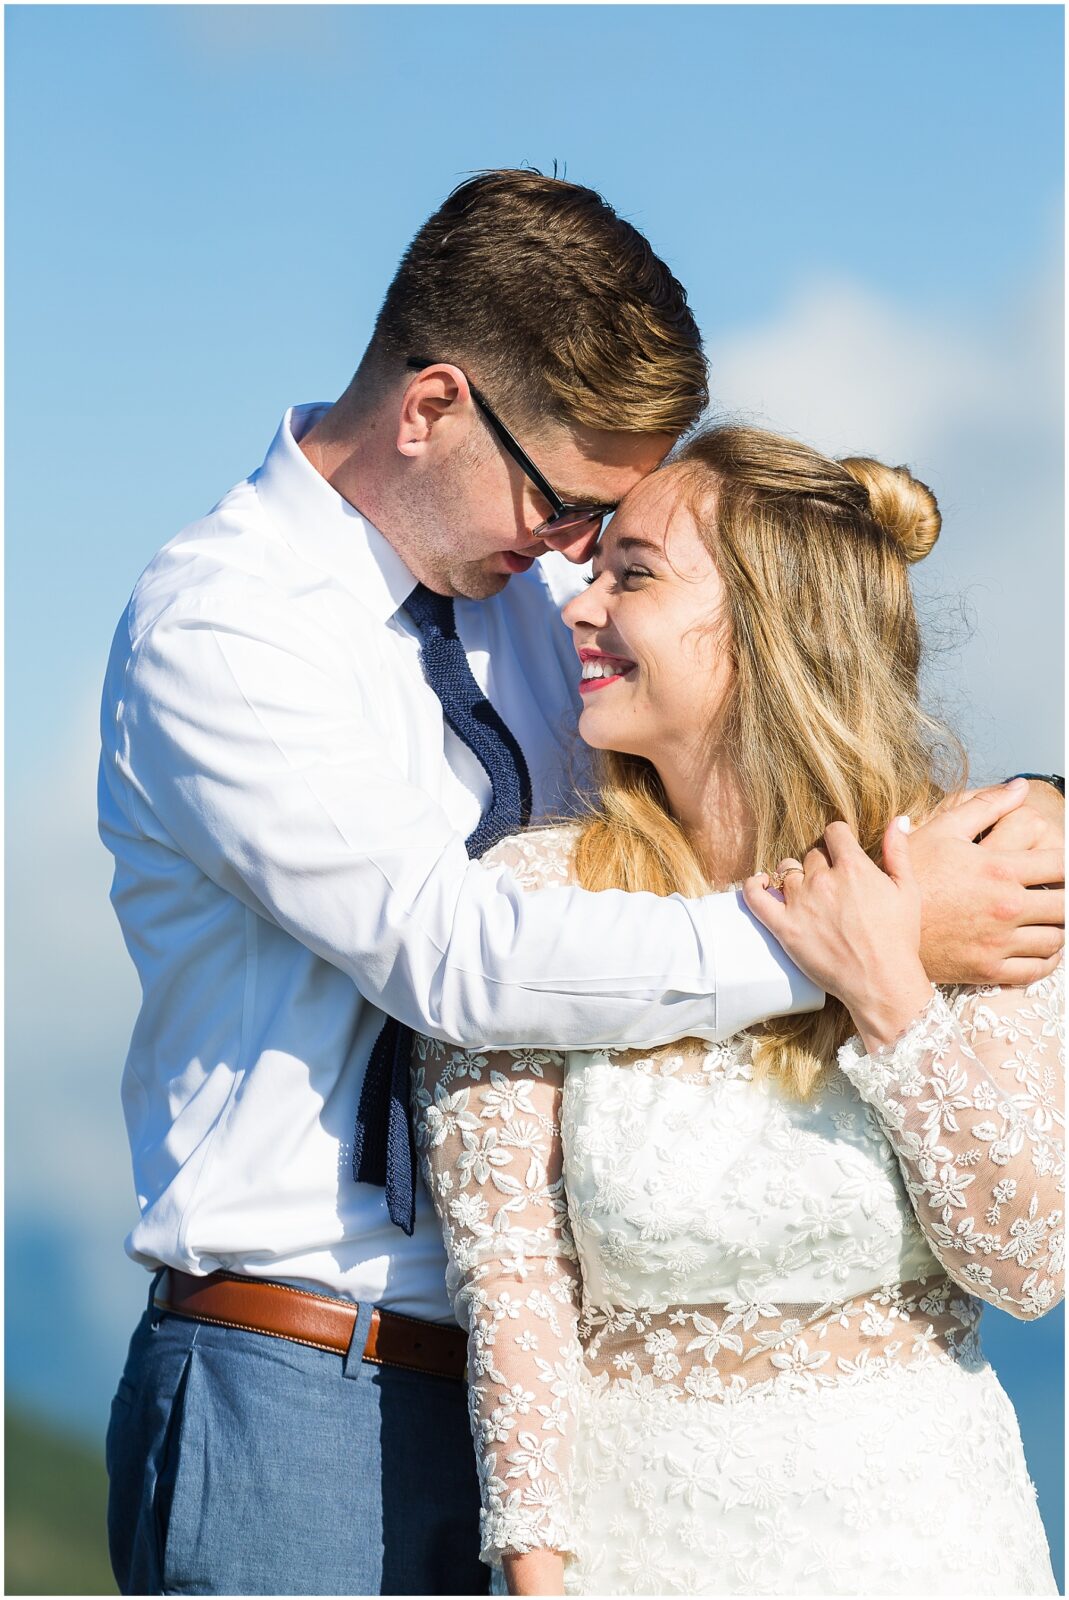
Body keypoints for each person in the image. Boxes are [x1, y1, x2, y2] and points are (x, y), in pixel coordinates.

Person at [98, 171, 1062, 1598]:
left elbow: (761, 696)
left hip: (578, 1411)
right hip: (300, 1374)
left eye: (609, 536)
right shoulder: (223, 630)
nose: (575, 565)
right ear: (430, 407)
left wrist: (1023, 817)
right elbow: (464, 958)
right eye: (566, 505)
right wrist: (863, 937)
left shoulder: (531, 608)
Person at [412, 427, 1064, 1597]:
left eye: (634, 573)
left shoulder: (976, 881)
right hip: (639, 1557)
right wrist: (535, 1571)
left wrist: (888, 984)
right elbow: (511, 1282)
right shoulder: (533, 904)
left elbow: (1025, 1263)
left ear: (769, 619)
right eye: (591, 568)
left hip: (928, 1546)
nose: (578, 604)